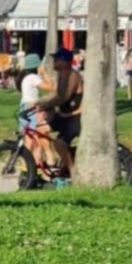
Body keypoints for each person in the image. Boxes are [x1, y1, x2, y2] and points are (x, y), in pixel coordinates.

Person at [37, 47, 82, 175]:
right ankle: (52, 158)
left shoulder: (73, 76)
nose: (54, 62)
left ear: (65, 62)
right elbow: (56, 94)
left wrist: (44, 104)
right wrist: (38, 102)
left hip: (75, 117)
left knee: (59, 143)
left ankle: (73, 171)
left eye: (57, 59)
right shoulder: (61, 75)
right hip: (64, 116)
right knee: (40, 129)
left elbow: (64, 97)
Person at [18, 53, 56, 169]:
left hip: (24, 107)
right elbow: (51, 87)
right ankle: (46, 159)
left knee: (29, 137)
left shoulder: (26, 78)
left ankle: (26, 165)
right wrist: (44, 73)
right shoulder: (33, 78)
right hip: (32, 108)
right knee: (39, 133)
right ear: (36, 66)